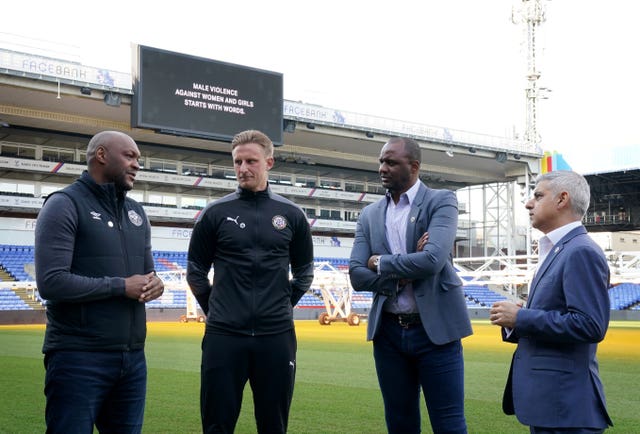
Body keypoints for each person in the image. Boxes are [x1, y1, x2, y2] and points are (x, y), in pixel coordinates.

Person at [35, 130, 165, 433]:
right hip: (78, 358)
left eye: (138, 159)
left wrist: (155, 283)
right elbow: (51, 282)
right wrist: (121, 286)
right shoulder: (64, 204)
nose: (137, 165)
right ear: (102, 155)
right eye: (129, 156)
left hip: (133, 359)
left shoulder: (136, 212)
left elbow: (147, 274)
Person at [186, 129, 314, 434]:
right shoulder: (215, 213)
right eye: (237, 162)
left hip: (276, 337)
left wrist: (280, 305)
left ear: (269, 162)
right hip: (224, 337)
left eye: (251, 161)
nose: (243, 168)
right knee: (217, 425)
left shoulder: (292, 215)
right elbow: (195, 271)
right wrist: (218, 309)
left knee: (273, 425)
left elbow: (304, 272)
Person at [349, 137, 472, 434]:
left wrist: (380, 262)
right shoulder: (370, 214)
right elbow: (356, 274)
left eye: (391, 162)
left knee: (449, 424)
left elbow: (432, 260)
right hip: (388, 333)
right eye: (381, 161)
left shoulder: (441, 200)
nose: (382, 168)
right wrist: (405, 270)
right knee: (399, 422)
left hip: (436, 334)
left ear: (414, 166)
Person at [490, 170, 612, 434]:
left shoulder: (580, 251)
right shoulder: (560, 249)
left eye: (538, 195)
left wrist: (520, 318)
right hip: (551, 403)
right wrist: (520, 319)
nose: (528, 203)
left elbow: (590, 325)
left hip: (566, 407)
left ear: (562, 199)